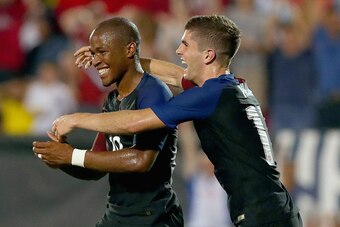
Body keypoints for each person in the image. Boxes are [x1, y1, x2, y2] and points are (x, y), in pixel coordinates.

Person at [50, 15, 302, 226]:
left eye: (186, 45)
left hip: (262, 215)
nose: (178, 51)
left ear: (208, 55)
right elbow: (174, 74)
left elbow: (135, 122)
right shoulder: (229, 87)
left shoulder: (209, 95)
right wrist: (112, 57)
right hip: (274, 207)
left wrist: (76, 119)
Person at [32, 17, 183, 227]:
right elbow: (96, 167)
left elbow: (141, 160)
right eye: (93, 54)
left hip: (154, 217)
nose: (94, 61)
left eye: (102, 52)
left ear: (130, 49)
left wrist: (73, 155)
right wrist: (63, 158)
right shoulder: (112, 100)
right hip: (117, 215)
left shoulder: (154, 92)